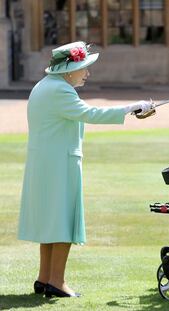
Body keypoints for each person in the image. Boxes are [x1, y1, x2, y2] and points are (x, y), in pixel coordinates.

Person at [18, 41, 155, 298]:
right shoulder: (60, 90)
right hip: (59, 164)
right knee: (62, 222)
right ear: (69, 69)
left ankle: (45, 278)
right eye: (83, 68)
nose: (87, 73)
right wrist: (131, 107)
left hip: (47, 163)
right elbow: (90, 114)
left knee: (52, 221)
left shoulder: (45, 86)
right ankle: (56, 282)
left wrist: (132, 109)